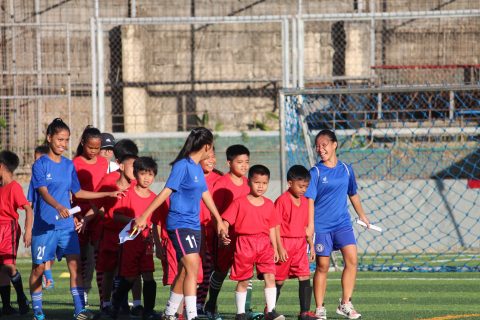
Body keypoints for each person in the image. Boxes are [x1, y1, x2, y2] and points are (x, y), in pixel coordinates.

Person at [28, 118, 123, 320]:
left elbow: (78, 192)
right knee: (38, 268)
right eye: (60, 139)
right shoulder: (40, 165)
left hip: (66, 226)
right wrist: (59, 206)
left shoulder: (68, 165)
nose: (63, 144)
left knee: (76, 265)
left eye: (66, 140)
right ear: (49, 138)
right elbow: (43, 192)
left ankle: (79, 309)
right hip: (44, 226)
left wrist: (107, 195)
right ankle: (37, 308)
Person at [132, 127, 228, 320]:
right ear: (207, 146)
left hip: (193, 225)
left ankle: (168, 313)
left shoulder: (196, 167)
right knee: (193, 266)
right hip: (179, 224)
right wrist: (144, 215)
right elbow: (166, 192)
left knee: (185, 271)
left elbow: (204, 194)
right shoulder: (182, 165)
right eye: (212, 148)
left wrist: (218, 220)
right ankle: (192, 315)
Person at [304, 129, 370, 320]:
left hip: (343, 224)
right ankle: (319, 308)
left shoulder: (347, 169)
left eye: (324, 144)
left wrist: (362, 215)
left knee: (352, 260)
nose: (320, 149)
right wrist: (310, 226)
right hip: (321, 227)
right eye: (318, 145)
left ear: (334, 145)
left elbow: (353, 193)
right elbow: (309, 200)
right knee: (322, 266)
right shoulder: (315, 172)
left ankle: (345, 303)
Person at [81, 139, 141, 317]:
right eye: (131, 165)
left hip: (132, 235)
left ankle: (136, 304)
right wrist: (94, 218)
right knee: (109, 271)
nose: (135, 170)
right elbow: (96, 204)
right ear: (120, 165)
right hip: (110, 234)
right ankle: (107, 304)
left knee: (133, 270)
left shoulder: (138, 183)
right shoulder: (109, 180)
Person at [221, 164, 284, 320]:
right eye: (257, 182)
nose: (261, 186)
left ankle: (270, 311)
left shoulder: (269, 204)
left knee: (270, 276)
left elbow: (271, 228)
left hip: (264, 245)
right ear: (249, 182)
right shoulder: (239, 202)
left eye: (264, 183)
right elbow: (226, 221)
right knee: (243, 280)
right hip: (244, 244)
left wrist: (275, 248)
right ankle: (240, 313)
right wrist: (223, 232)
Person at [110, 157, 162, 320]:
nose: (147, 178)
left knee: (148, 276)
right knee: (130, 277)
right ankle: (114, 307)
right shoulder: (128, 194)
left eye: (151, 174)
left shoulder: (155, 198)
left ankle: (148, 311)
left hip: (147, 244)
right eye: (143, 173)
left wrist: (158, 245)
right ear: (135, 174)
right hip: (131, 243)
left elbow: (157, 223)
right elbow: (116, 215)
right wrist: (133, 221)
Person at [205, 145, 251, 320]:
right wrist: (221, 232)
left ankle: (245, 308)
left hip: (245, 238)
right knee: (221, 271)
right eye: (239, 162)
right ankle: (211, 304)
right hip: (226, 237)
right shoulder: (221, 184)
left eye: (246, 162)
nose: (244, 166)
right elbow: (214, 211)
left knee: (246, 272)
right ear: (229, 163)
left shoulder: (249, 184)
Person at [72, 126, 108, 306]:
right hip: (80, 217)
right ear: (83, 144)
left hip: (99, 215)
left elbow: (106, 188)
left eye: (97, 148)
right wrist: (74, 214)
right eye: (90, 147)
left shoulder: (104, 163)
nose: (94, 151)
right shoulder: (75, 163)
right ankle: (83, 294)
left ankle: (104, 300)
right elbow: (71, 193)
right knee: (82, 259)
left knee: (100, 258)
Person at [274, 165, 316, 320]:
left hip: (300, 245)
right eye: (300, 186)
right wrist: (278, 248)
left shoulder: (305, 202)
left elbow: (306, 227)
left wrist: (310, 245)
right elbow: (275, 226)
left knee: (305, 276)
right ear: (290, 183)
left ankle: (304, 312)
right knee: (279, 279)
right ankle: (270, 309)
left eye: (306, 186)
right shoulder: (282, 201)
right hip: (284, 244)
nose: (303, 189)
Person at [0, 150, 32, 315]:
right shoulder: (1, 187)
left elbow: (28, 208)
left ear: (2, 167)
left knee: (9, 265)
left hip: (9, 229)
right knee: (1, 267)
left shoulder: (14, 187)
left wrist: (28, 230)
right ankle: (6, 306)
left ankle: (21, 298)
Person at [196, 148, 222, 314]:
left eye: (213, 156)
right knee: (194, 269)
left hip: (213, 232)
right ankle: (191, 304)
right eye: (207, 157)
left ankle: (200, 304)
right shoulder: (191, 176)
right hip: (193, 230)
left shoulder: (220, 179)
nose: (211, 160)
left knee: (209, 269)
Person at [28, 145, 55, 290]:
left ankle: (47, 273)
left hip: (57, 223)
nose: (36, 163)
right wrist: (29, 228)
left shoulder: (57, 175)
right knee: (37, 264)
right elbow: (30, 204)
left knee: (52, 253)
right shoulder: (35, 179)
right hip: (40, 224)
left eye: (39, 159)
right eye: (35, 160)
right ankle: (46, 276)